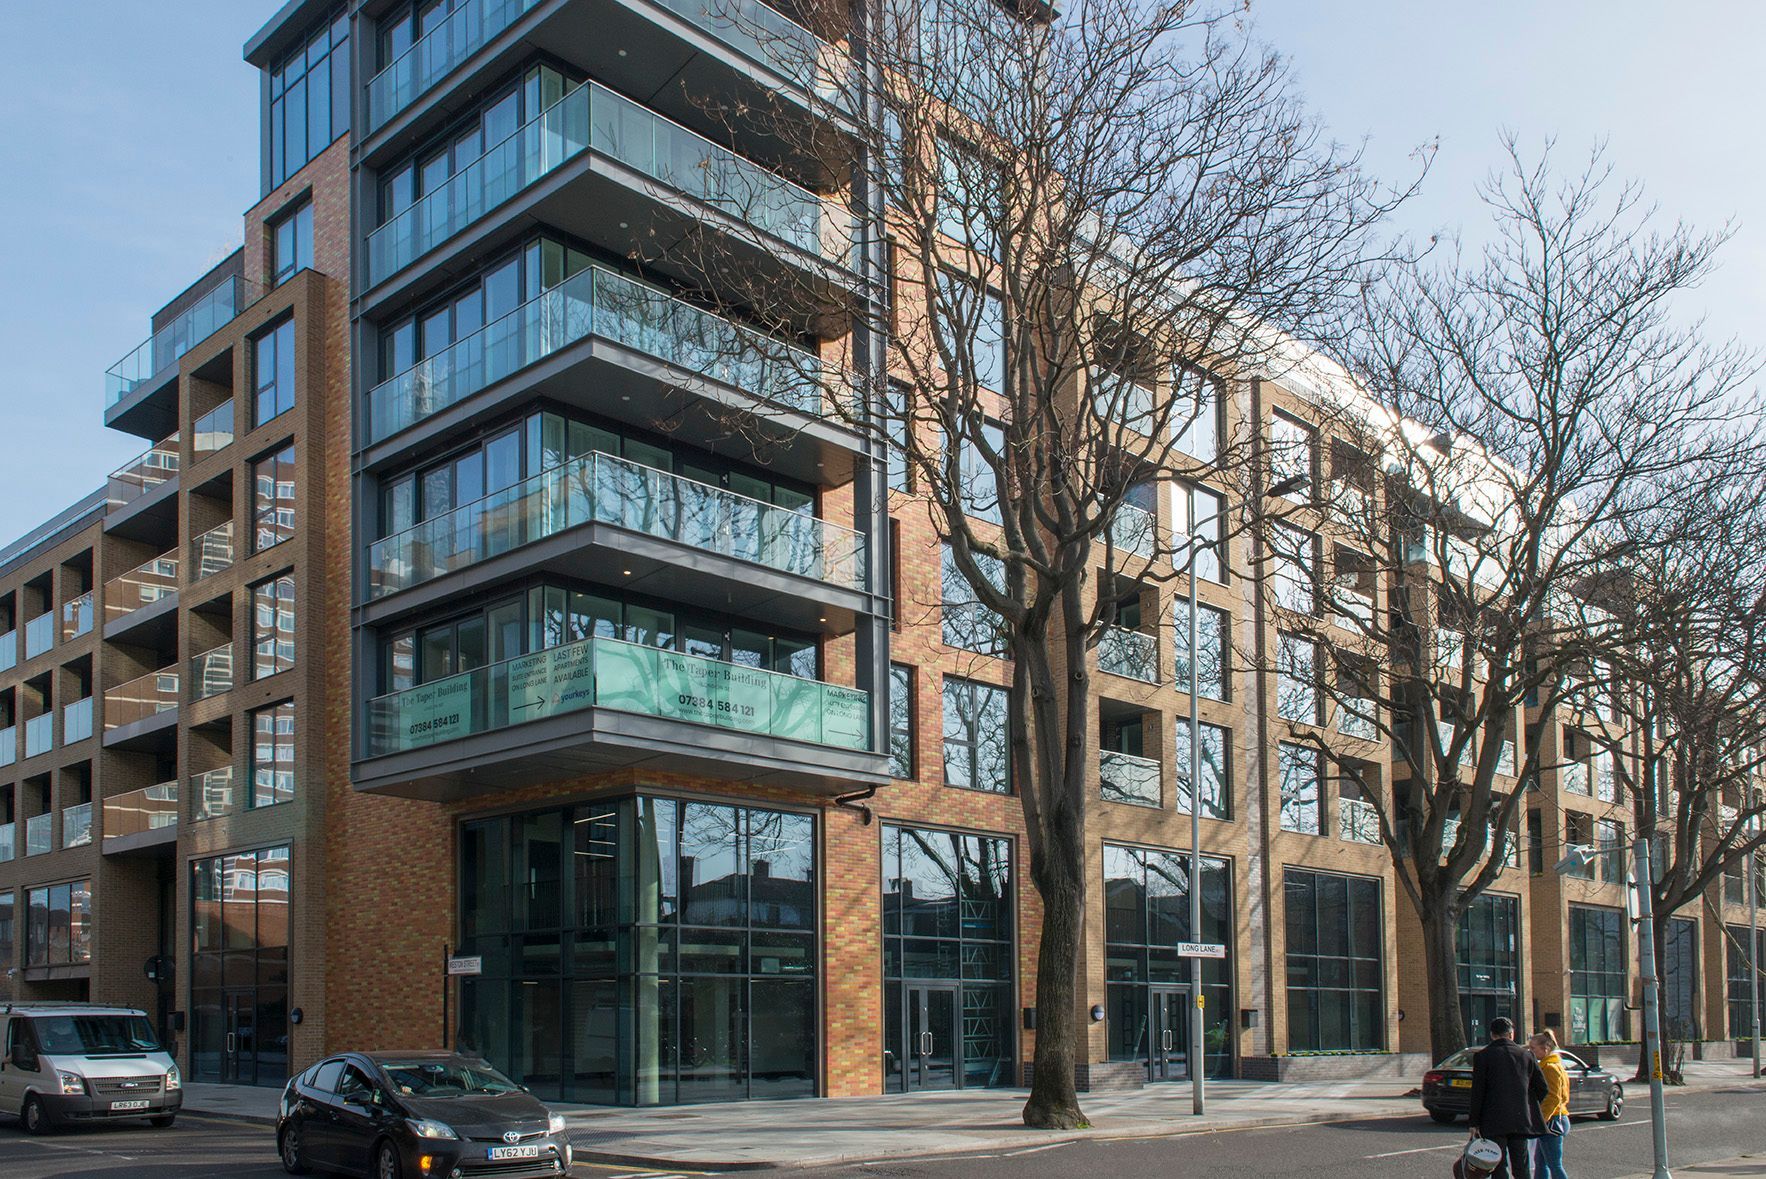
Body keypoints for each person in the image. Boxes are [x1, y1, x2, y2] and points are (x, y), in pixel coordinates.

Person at [1468, 1016, 1548, 1179]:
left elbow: (1478, 1092)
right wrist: (1527, 1103)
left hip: (1493, 1120)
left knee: (1497, 1165)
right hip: (1520, 1120)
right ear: (1511, 1034)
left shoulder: (1483, 1056)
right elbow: (1543, 1088)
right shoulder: (1526, 1056)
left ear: (1492, 1035)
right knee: (1521, 1166)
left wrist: (1474, 1122)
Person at [1528, 1030, 1572, 1179]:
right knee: (1540, 1162)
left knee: (1554, 1164)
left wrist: (1541, 1120)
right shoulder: (1554, 1065)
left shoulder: (1550, 1068)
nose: (1530, 1051)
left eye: (1533, 1048)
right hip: (1556, 1118)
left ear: (1545, 1049)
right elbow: (1564, 1096)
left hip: (1552, 1120)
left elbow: (1554, 1098)